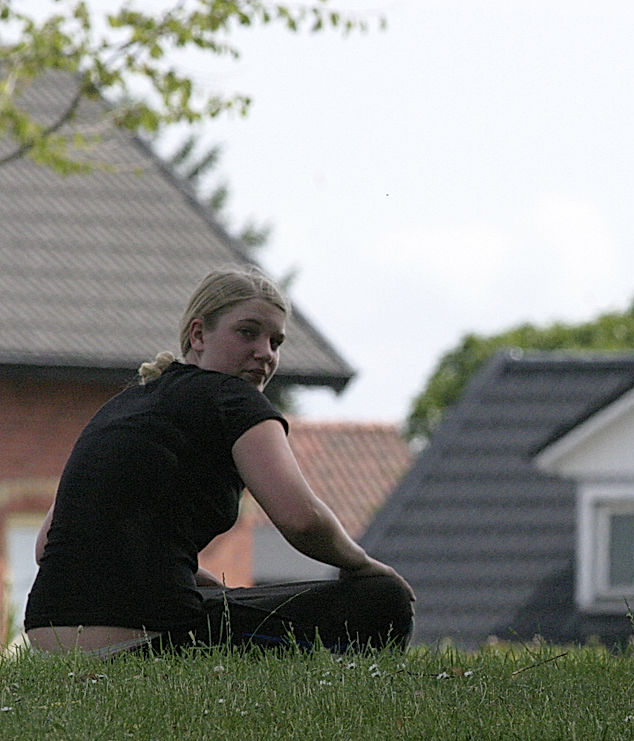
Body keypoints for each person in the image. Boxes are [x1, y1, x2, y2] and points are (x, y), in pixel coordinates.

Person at [24, 269, 415, 656]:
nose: (265, 352)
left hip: (47, 634)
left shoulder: (122, 405)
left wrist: (199, 582)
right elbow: (301, 519)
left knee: (225, 598)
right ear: (198, 335)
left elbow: (48, 545)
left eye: (275, 341)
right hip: (148, 632)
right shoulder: (234, 400)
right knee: (382, 599)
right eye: (247, 333)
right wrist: (363, 564)